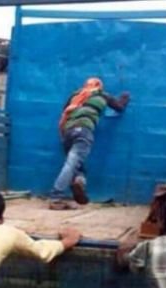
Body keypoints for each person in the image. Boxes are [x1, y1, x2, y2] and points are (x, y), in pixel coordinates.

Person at [49, 77, 130, 210]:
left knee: (76, 164)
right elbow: (119, 107)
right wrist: (125, 97)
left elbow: (65, 111)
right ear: (99, 86)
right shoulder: (103, 95)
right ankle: (56, 197)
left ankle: (79, 181)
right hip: (84, 130)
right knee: (71, 164)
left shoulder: (75, 95)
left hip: (67, 132)